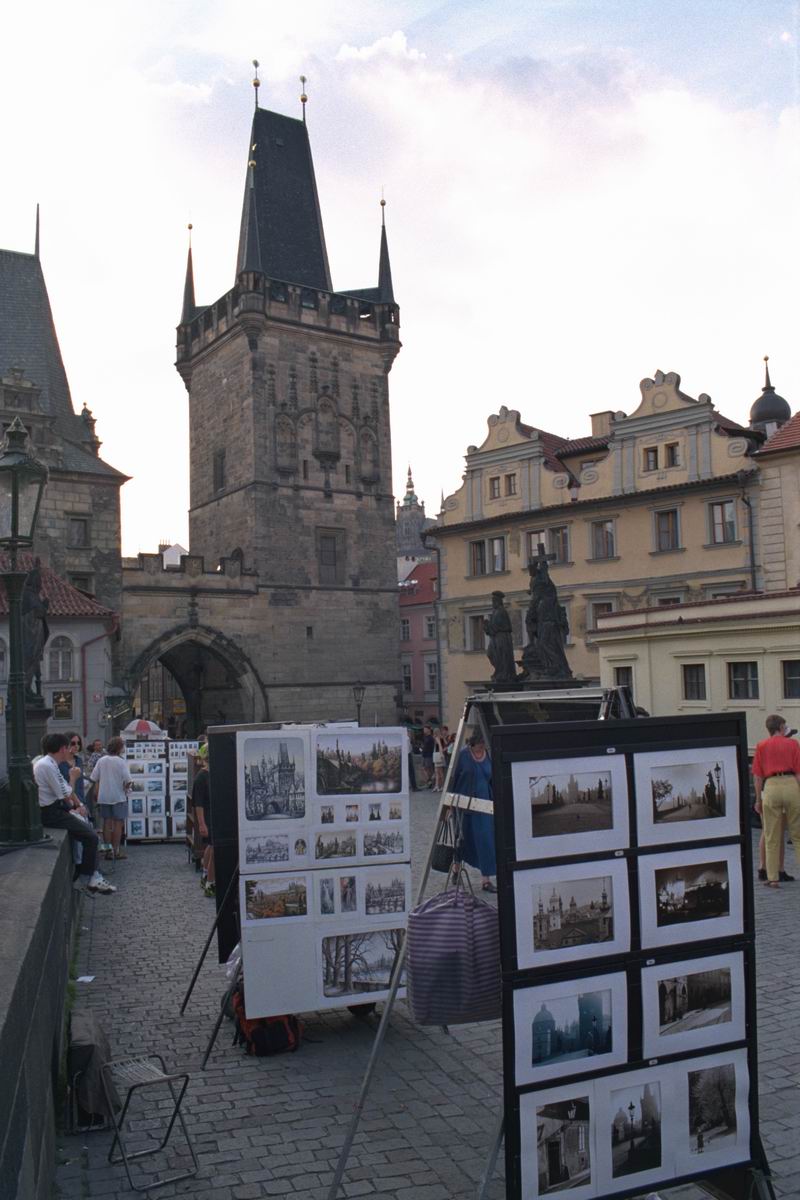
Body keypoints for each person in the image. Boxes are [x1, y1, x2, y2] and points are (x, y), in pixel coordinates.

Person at [34, 733, 115, 894]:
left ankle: (91, 875)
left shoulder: (49, 763)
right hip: (51, 813)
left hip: (56, 809)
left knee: (88, 832)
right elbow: (65, 793)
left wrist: (79, 804)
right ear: (63, 749)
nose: (72, 750)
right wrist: (73, 777)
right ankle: (87, 878)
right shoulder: (47, 766)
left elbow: (66, 791)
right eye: (69, 746)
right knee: (90, 837)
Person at [752, 714, 800, 888]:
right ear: (780, 727)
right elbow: (799, 773)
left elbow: (757, 777)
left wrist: (758, 800)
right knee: (797, 834)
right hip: (791, 784)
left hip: (771, 785)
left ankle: (772, 878)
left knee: (771, 836)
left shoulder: (761, 746)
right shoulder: (793, 744)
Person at [452, 729, 496, 892]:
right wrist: (449, 803)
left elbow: (493, 778)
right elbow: (453, 778)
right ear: (473, 743)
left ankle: (486, 880)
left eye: (483, 744)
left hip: (484, 804)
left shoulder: (489, 754)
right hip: (463, 805)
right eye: (479, 744)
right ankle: (456, 869)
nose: (481, 747)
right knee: (461, 838)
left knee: (486, 839)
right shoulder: (463, 755)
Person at [91, 736, 132, 861]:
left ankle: (108, 851)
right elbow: (128, 781)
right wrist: (126, 788)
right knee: (118, 823)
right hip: (118, 796)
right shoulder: (121, 762)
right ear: (119, 748)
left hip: (104, 796)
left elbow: (94, 778)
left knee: (107, 823)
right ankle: (116, 851)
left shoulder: (101, 760)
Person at [192, 744, 215, 897]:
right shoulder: (201, 777)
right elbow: (198, 804)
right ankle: (210, 883)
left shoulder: (210, 774)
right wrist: (201, 824)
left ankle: (206, 875)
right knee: (215, 850)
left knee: (211, 847)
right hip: (208, 818)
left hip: (212, 817)